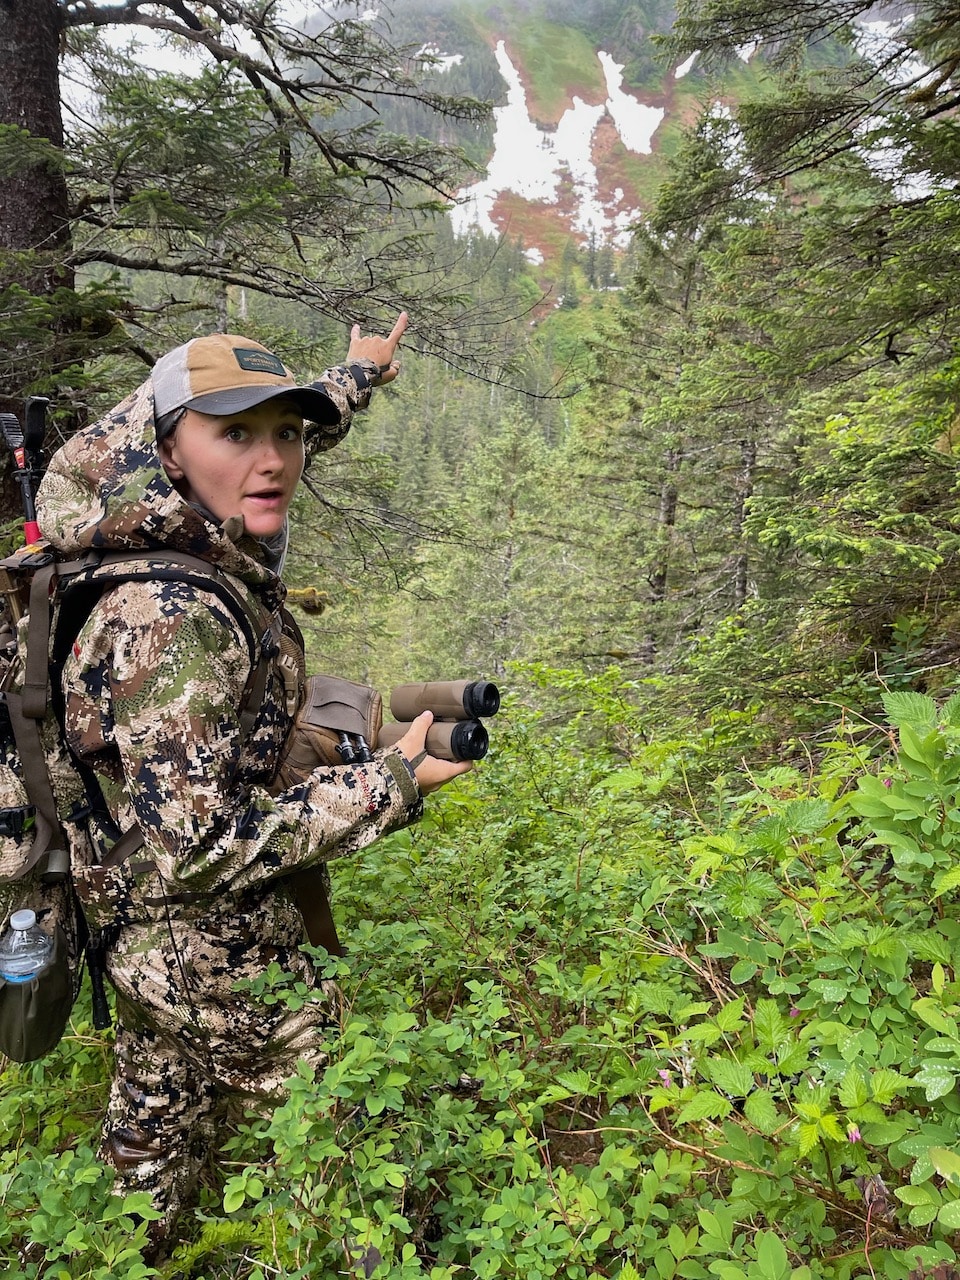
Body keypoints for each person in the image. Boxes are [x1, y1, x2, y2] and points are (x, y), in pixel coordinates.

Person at [33, 315, 468, 1253]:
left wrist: (354, 376)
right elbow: (194, 846)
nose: (272, 459)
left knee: (150, 1142)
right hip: (208, 944)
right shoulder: (175, 610)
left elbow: (253, 434)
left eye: (289, 432)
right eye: (235, 434)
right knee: (345, 1119)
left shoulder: (145, 531)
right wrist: (393, 781)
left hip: (135, 936)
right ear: (168, 450)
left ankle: (123, 1256)